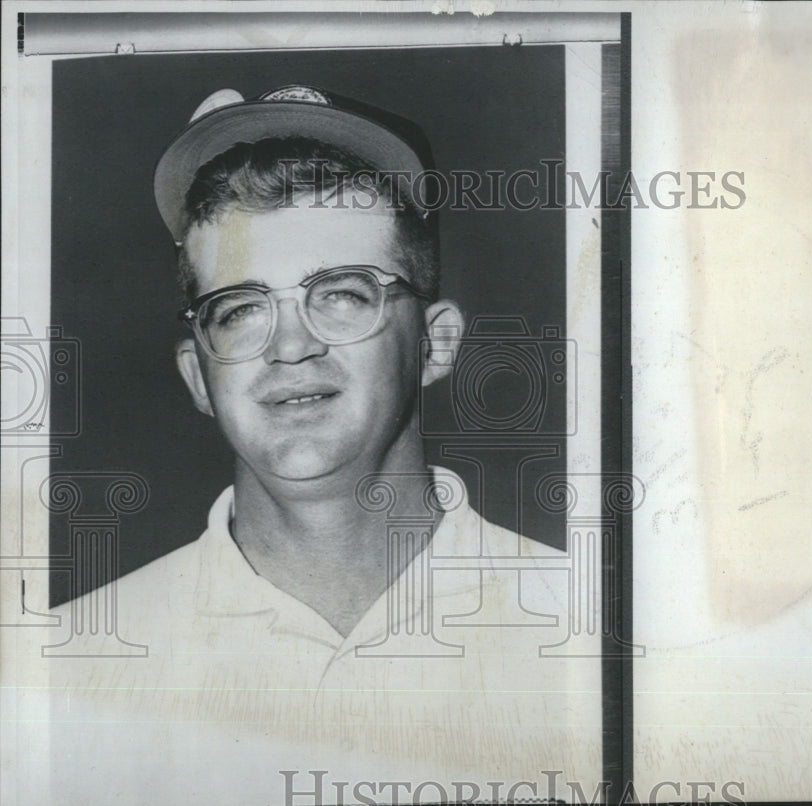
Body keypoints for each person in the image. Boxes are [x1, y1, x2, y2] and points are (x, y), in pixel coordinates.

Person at [47, 85, 601, 802]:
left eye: (341, 293)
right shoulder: (65, 665)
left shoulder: (594, 635)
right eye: (241, 308)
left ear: (435, 343)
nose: (292, 345)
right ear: (198, 373)